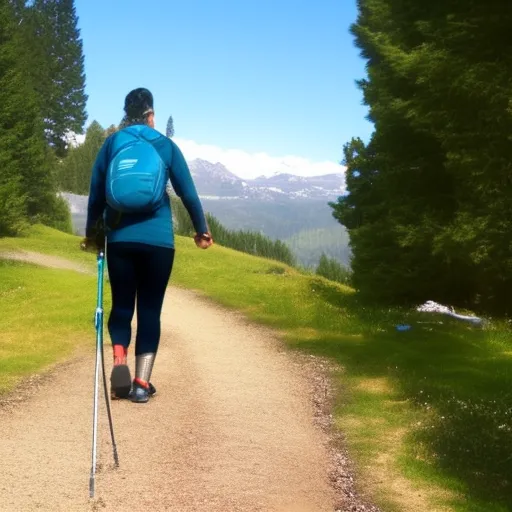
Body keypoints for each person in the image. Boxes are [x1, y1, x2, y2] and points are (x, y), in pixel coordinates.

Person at [82, 87, 213, 403]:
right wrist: (201, 230)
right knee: (150, 310)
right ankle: (141, 383)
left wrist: (92, 234)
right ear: (151, 114)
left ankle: (119, 365)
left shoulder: (113, 144)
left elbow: (97, 194)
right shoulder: (166, 146)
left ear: (127, 116)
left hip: (121, 239)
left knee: (123, 306)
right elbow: (188, 194)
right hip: (158, 243)